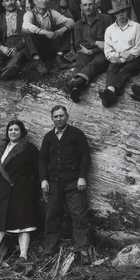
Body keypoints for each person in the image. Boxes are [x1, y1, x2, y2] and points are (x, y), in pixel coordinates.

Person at [38, 105, 91, 261]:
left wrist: (82, 176)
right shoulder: (48, 137)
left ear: (67, 116)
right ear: (52, 118)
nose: (59, 119)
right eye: (56, 116)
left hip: (74, 182)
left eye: (61, 116)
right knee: (51, 215)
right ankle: (49, 250)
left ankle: (82, 250)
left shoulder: (76, 134)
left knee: (79, 215)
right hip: (54, 183)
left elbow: (85, 156)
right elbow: (42, 160)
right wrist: (43, 179)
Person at [0, 119, 41, 268]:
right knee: (1, 222)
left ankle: (23, 256)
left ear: (22, 132)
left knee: (23, 223)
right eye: (10, 130)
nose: (13, 132)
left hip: (22, 191)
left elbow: (40, 167)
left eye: (16, 130)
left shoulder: (29, 149)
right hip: (4, 190)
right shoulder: (2, 147)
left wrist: (29, 183)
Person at [66, 0, 112, 101]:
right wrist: (96, 43)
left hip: (103, 53)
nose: (88, 7)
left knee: (96, 62)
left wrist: (91, 50)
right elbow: (78, 45)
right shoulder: (78, 25)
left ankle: (75, 84)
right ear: (81, 7)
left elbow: (109, 42)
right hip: (86, 53)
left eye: (90, 4)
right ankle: (75, 87)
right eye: (85, 5)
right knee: (81, 62)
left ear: (95, 5)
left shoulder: (106, 19)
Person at [99, 0, 140, 108]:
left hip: (134, 59)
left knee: (125, 70)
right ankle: (110, 92)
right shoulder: (110, 30)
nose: (121, 15)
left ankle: (111, 91)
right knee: (112, 68)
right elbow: (108, 51)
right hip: (117, 58)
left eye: (123, 11)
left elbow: (137, 48)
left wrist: (123, 58)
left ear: (127, 11)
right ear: (115, 14)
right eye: (118, 13)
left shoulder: (136, 27)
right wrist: (118, 56)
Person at [22, 0, 74, 75]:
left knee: (66, 27)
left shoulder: (52, 12)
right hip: (36, 48)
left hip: (50, 46)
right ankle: (37, 62)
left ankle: (59, 58)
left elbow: (71, 21)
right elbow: (25, 26)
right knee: (27, 31)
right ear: (35, 1)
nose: (44, 1)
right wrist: (44, 32)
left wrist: (62, 30)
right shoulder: (29, 14)